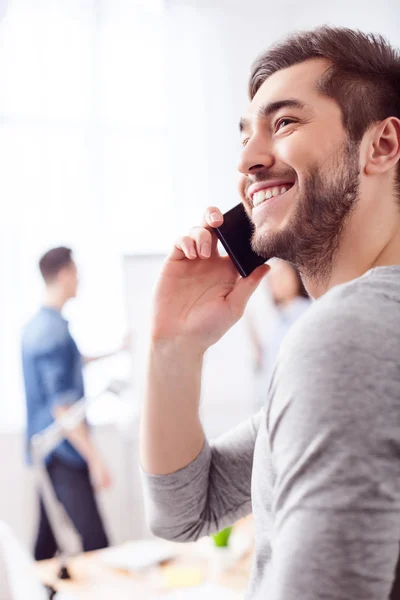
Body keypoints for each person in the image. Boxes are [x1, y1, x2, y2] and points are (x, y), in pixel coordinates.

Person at [140, 26, 400, 599]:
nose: (249, 160)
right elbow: (186, 510)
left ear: (380, 146)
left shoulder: (351, 336)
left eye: (283, 123)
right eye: (245, 134)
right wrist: (173, 346)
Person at [22, 247, 124, 560]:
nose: (80, 280)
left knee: (46, 543)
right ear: (65, 274)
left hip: (48, 453)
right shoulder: (51, 333)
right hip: (62, 453)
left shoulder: (41, 327)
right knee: (97, 544)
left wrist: (117, 351)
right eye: (77, 273)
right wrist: (95, 459)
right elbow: (62, 407)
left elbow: (72, 364)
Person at [247, 259, 311, 408]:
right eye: (271, 278)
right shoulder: (278, 320)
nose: (276, 281)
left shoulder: (307, 312)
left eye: (282, 274)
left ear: (296, 274)